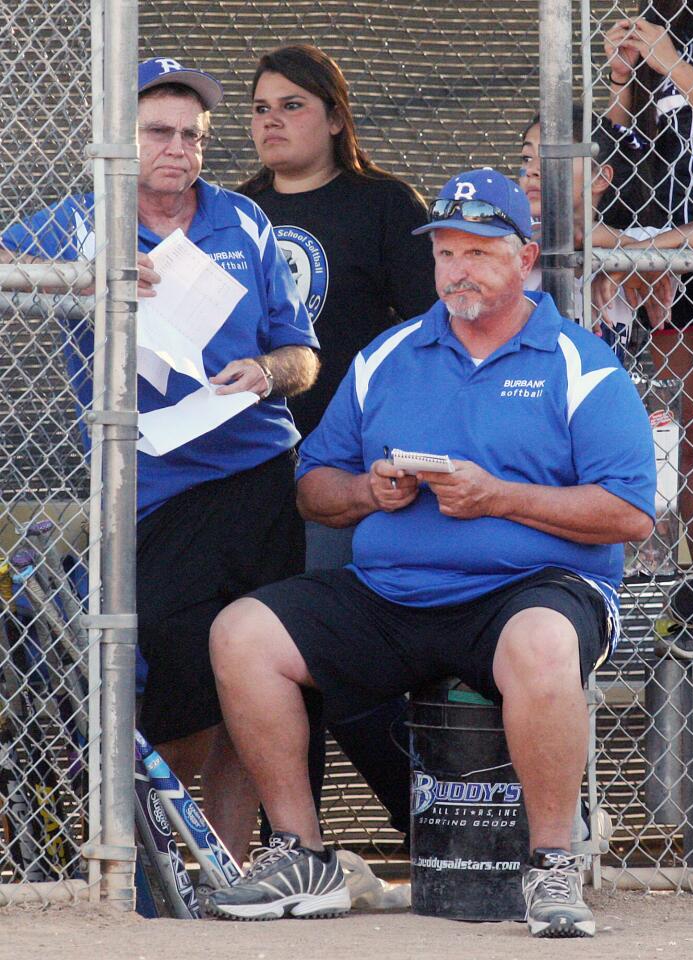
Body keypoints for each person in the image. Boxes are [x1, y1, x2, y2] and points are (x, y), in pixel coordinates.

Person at [204, 169, 656, 937]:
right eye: (446, 253)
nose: (458, 270)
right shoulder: (390, 354)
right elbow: (314, 484)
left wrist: (498, 496)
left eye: (479, 251)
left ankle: (551, 865)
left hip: (531, 589)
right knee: (242, 633)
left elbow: (629, 514)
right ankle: (303, 853)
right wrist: (368, 493)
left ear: (524, 259)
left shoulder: (581, 363)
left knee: (544, 643)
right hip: (394, 590)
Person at [1, 57, 320, 863]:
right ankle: (160, 874)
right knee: (181, 699)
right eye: (158, 132)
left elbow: (302, 355)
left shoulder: (243, 218)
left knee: (262, 689)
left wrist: (268, 372)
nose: (179, 149)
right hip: (155, 490)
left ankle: (240, 872)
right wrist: (85, 283)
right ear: (117, 139)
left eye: (193, 135)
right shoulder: (79, 224)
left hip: (263, 474)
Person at [237, 43, 437, 839]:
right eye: (259, 107)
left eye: (292, 104)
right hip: (249, 471)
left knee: (342, 666)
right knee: (267, 662)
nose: (272, 121)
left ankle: (445, 833)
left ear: (335, 114)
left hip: (350, 475)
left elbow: (432, 339)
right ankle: (296, 845)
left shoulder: (386, 205)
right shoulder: (235, 213)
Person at [604, 2, 693, 586]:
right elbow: (624, 155)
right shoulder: (660, 29)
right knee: (692, 433)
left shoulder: (676, 49)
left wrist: (673, 64)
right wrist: (623, 76)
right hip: (670, 256)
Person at [520, 106, 674, 349]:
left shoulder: (633, 238)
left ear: (599, 177)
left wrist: (626, 256)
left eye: (553, 158)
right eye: (527, 158)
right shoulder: (512, 234)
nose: (532, 170)